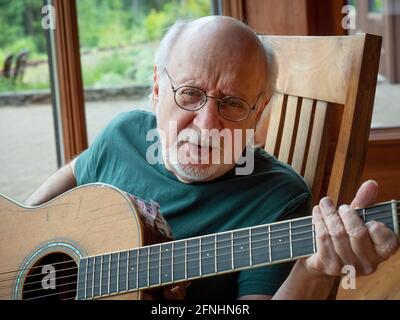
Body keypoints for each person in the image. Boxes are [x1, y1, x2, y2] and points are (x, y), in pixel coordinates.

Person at [24, 16, 399, 300]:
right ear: (157, 89)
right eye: (189, 93)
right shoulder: (123, 134)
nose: (207, 124)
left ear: (258, 112)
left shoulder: (278, 200)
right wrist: (21, 228)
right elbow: (73, 172)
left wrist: (312, 271)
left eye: (233, 103)